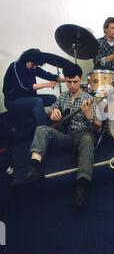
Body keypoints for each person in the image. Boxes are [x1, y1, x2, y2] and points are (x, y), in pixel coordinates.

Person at [25, 64, 102, 209]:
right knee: (41, 129)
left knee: (87, 139)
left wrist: (90, 118)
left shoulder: (89, 99)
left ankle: (81, 187)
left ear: (81, 80)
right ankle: (33, 167)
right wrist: (53, 110)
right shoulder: (63, 96)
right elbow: (51, 107)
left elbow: (98, 129)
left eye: (75, 81)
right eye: (69, 82)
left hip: (82, 136)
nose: (72, 85)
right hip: (65, 136)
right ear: (65, 81)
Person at [2, 48, 60, 127]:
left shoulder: (32, 66)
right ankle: (46, 129)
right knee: (37, 101)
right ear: (27, 59)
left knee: (52, 98)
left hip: (27, 97)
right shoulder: (15, 66)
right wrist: (47, 84)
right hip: (12, 100)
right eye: (34, 64)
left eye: (36, 64)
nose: (35, 66)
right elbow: (26, 86)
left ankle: (54, 121)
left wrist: (68, 78)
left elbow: (49, 76)